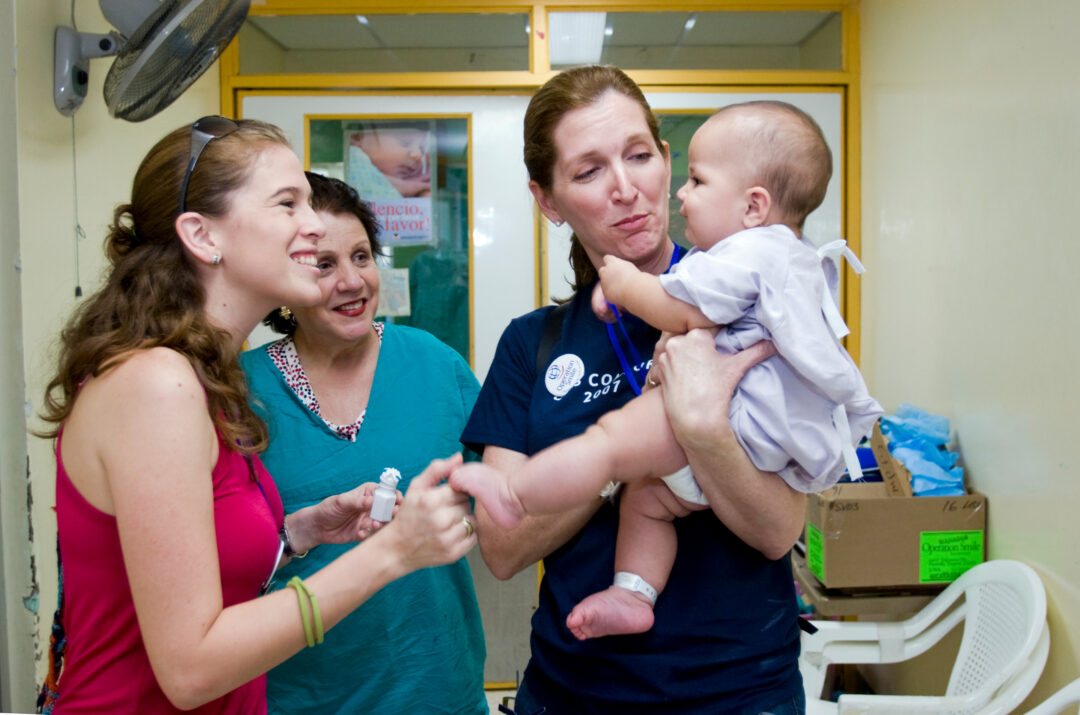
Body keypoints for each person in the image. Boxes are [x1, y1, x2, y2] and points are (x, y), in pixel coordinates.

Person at [37, 116, 476, 714]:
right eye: (287, 203)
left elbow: (192, 570)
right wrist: (391, 553)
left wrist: (300, 533)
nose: (313, 223)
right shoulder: (157, 384)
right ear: (202, 235)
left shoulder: (203, 377)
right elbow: (189, 669)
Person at [452, 100, 882, 642]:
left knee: (611, 445)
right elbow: (502, 550)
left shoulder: (736, 269)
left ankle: (520, 492)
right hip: (579, 685)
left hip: (737, 685)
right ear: (548, 200)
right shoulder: (532, 342)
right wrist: (631, 463)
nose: (626, 188)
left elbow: (778, 535)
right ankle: (632, 590)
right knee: (645, 494)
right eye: (588, 171)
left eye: (638, 156)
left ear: (665, 160)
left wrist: (696, 428)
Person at [239, 172, 486, 714]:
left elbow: (501, 491)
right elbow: (220, 565)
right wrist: (296, 535)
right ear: (284, 280)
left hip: (436, 688)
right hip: (300, 694)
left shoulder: (435, 364)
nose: (352, 281)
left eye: (362, 256)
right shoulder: (240, 390)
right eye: (324, 265)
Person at [347, 122, 432, 197]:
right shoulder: (353, 156)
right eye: (405, 143)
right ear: (357, 138)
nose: (417, 154)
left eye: (421, 149)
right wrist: (404, 186)